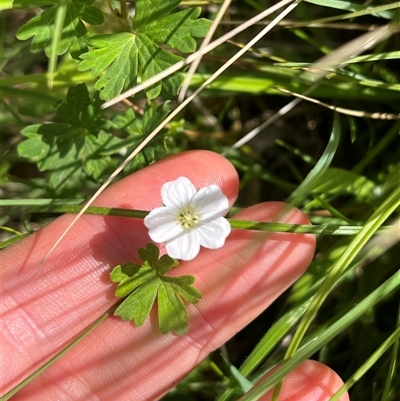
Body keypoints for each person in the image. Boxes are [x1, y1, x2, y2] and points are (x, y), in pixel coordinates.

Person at [1, 151, 349, 400]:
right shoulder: (169, 216)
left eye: (189, 219)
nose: (187, 221)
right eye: (185, 218)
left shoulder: (205, 224)